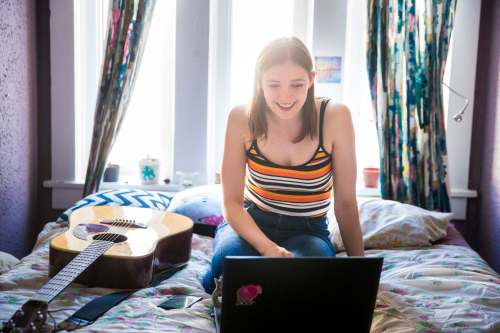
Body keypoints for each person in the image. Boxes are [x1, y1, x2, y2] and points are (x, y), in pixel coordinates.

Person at [202, 37, 364, 293]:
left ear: (311, 79)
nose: (285, 96)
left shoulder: (335, 118)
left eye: (297, 85)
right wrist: (268, 249)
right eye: (274, 85)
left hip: (308, 229)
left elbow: (345, 203)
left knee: (309, 276)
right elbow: (232, 203)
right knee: (230, 268)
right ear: (259, 81)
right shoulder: (241, 118)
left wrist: (360, 271)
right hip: (251, 221)